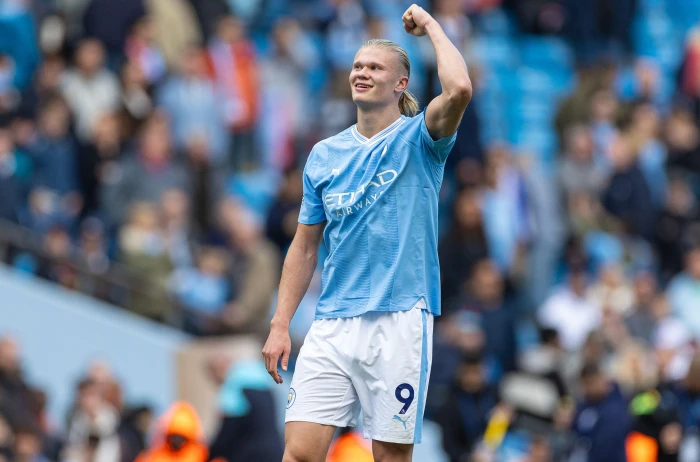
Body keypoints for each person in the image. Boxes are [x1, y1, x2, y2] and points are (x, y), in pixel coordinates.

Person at [262, 4, 472, 462]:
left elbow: (459, 88)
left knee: (389, 457)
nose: (361, 72)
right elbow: (304, 246)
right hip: (332, 320)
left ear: (401, 84)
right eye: (358, 65)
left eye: (375, 67)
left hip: (399, 319)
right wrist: (280, 325)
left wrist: (430, 25)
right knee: (298, 453)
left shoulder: (421, 138)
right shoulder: (324, 155)